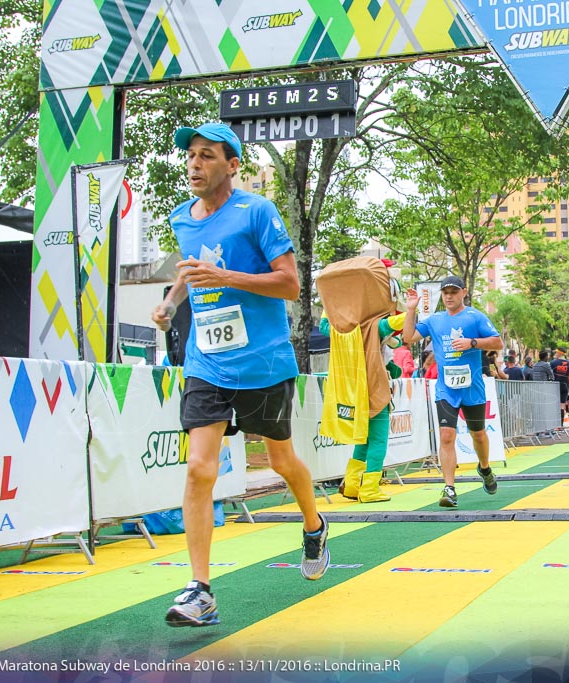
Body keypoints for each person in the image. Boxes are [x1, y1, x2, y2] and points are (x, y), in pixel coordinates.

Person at [152, 123, 328, 627]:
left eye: (206, 156)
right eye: (190, 155)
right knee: (199, 468)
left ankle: (314, 525)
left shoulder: (258, 211)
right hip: (207, 360)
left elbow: (291, 284)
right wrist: (168, 304)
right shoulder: (180, 217)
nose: (194, 164)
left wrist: (228, 277)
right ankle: (200, 590)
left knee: (280, 457)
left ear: (232, 165)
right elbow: (190, 270)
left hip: (264, 360)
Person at [404, 275, 502, 508]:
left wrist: (473, 343)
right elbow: (408, 338)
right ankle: (449, 488)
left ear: (463, 292)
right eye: (445, 292)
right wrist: (410, 310)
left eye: (453, 292)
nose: (449, 296)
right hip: (446, 388)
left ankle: (485, 468)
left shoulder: (475, 316)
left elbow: (497, 343)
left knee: (478, 434)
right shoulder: (434, 320)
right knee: (447, 436)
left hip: (472, 388)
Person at [317, 256, 405, 504]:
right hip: (373, 389)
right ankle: (370, 488)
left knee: (363, 439)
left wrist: (333, 302)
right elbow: (398, 322)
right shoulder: (374, 326)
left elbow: (325, 323)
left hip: (350, 390)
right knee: (378, 440)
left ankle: (353, 484)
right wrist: (415, 307)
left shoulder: (337, 329)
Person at [550, 347, 569, 424]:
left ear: (560, 353)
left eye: (556, 353)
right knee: (562, 405)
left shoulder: (553, 363)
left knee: (554, 404)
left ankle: (554, 423)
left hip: (554, 386)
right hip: (565, 386)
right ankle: (560, 424)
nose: (555, 354)